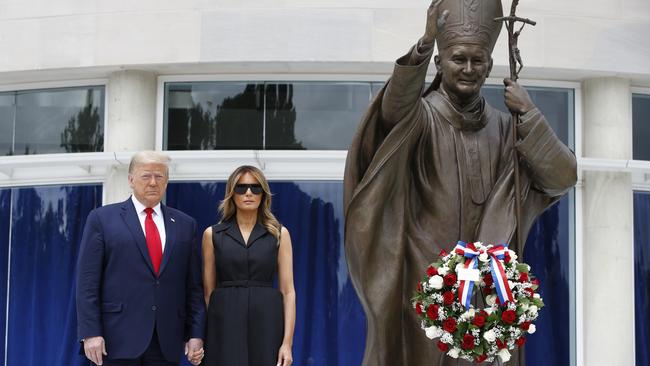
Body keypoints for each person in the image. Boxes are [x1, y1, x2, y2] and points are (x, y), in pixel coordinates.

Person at [343, 0, 577, 365]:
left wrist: (529, 114)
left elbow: (563, 176)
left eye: (478, 60)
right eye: (458, 59)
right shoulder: (421, 118)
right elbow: (392, 112)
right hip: (427, 286)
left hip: (489, 290)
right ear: (440, 63)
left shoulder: (507, 127)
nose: (469, 68)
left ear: (488, 66)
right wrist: (424, 43)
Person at [76, 151, 205, 366]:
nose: (153, 183)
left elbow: (193, 286)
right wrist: (90, 332)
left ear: (167, 181)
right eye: (146, 176)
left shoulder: (185, 224)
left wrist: (195, 334)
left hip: (166, 341)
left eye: (160, 176)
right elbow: (87, 283)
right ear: (131, 180)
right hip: (115, 340)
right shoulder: (102, 219)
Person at [201, 165, 296, 366]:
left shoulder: (279, 234)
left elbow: (288, 292)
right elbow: (208, 291)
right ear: (231, 193)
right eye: (241, 188)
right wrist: (218, 324)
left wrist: (287, 343)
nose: (249, 193)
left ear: (263, 194)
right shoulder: (212, 234)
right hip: (224, 321)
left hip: (267, 319)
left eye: (256, 188)